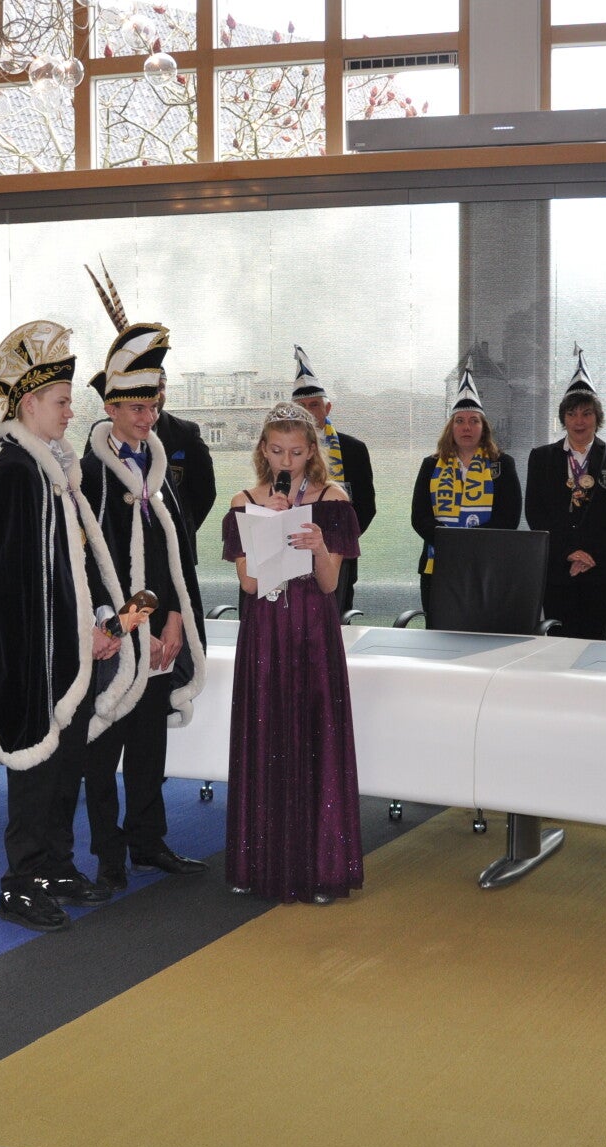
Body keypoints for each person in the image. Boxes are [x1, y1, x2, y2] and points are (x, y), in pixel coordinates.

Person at [0, 319, 135, 933]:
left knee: (65, 766)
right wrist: (76, 634)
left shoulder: (52, 469)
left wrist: (98, 618)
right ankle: (21, 882)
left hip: (66, 645)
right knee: (35, 769)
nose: (70, 411)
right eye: (61, 401)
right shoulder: (18, 470)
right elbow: (21, 581)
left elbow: (72, 567)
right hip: (34, 652)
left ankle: (56, 867)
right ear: (30, 404)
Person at [78, 298, 209, 889]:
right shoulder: (89, 474)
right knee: (104, 748)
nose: (148, 417)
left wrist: (174, 619)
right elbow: (88, 564)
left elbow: (177, 552)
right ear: (109, 408)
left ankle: (148, 842)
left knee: (150, 747)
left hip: (158, 629)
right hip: (116, 633)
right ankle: (108, 854)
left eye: (153, 406)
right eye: (136, 408)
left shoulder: (158, 468)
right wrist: (132, 625)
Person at [222, 402, 363, 903]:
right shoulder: (244, 502)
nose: (287, 462)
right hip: (265, 630)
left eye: (297, 453)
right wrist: (269, 530)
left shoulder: (333, 500)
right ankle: (259, 863)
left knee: (314, 736)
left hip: (312, 632)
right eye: (278, 451)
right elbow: (250, 583)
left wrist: (319, 545)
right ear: (263, 450)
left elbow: (329, 584)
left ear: (311, 452)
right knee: (266, 734)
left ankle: (320, 866)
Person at [526, 350, 606, 639]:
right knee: (558, 646)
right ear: (563, 418)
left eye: (587, 413)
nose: (579, 421)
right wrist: (569, 552)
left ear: (598, 418)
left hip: (602, 569)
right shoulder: (541, 457)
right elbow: (535, 513)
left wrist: (590, 554)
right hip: (557, 569)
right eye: (572, 413)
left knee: (594, 644)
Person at [408, 363, 521, 618]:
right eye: (459, 421)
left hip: (487, 567)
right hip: (438, 567)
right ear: (451, 427)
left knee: (483, 630)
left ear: (484, 427)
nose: (466, 427)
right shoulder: (430, 465)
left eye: (473, 421)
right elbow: (419, 517)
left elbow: (508, 519)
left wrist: (467, 545)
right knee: (439, 630)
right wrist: (451, 543)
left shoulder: (502, 464)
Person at [290, 346, 376, 614]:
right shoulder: (281, 453)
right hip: (289, 550)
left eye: (314, 405)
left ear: (327, 407)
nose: (308, 412)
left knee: (333, 618)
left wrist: (337, 542)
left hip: (339, 554)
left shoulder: (353, 450)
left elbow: (366, 507)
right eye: (301, 407)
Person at [154, 368, 215, 540]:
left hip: (175, 544)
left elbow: (205, 492)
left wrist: (183, 530)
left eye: (161, 387)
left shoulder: (186, 433)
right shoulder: (104, 433)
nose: (157, 395)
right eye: (149, 388)